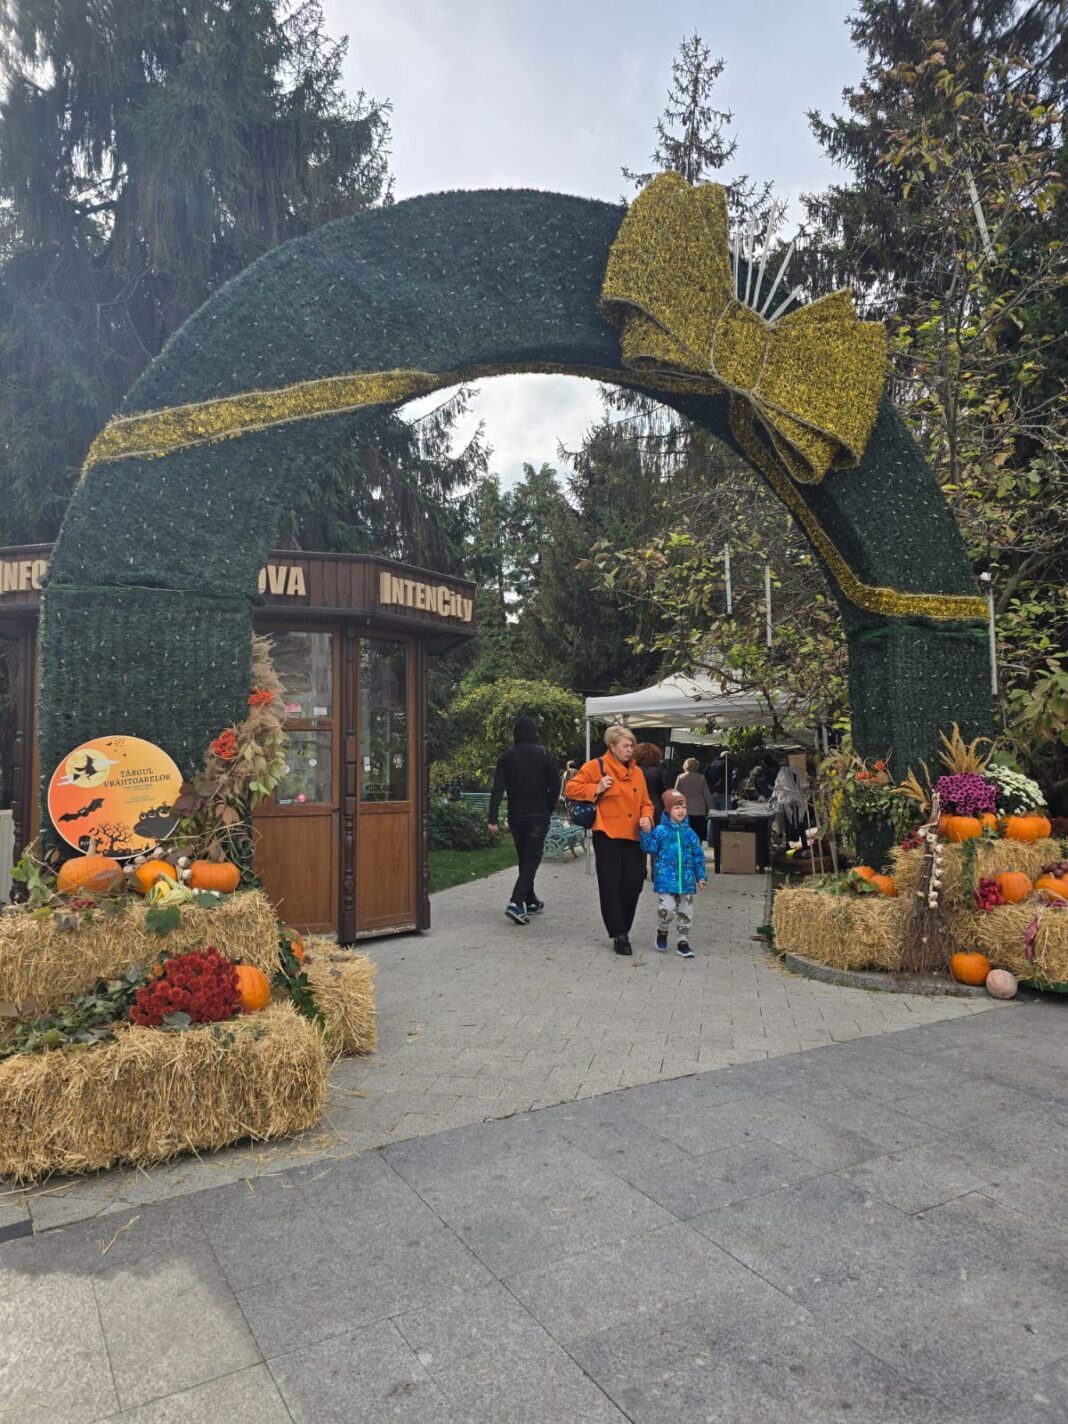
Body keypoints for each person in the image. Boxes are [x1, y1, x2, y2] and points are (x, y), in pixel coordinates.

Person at [565, 725, 653, 956]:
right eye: (625, 745)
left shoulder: (638, 772)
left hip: (633, 835)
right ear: (612, 747)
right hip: (607, 834)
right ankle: (619, 934)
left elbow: (646, 801)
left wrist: (647, 817)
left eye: (632, 745)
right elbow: (570, 788)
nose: (630, 749)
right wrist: (597, 787)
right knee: (610, 884)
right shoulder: (597, 766)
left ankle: (624, 924)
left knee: (634, 880)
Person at [488, 716, 559, 926]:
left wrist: (493, 818)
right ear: (534, 732)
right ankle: (516, 902)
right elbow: (555, 785)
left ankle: (531, 900)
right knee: (532, 859)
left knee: (524, 859)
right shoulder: (545, 755)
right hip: (538, 814)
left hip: (516, 816)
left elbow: (498, 788)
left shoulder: (506, 757)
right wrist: (549, 806)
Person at [640, 790, 707, 957]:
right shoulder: (661, 831)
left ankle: (682, 941)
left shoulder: (690, 834)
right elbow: (649, 848)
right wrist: (646, 832)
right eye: (677, 807)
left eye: (683, 807)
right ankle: (662, 931)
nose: (681, 810)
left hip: (686, 882)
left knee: (686, 912)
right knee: (667, 909)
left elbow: (697, 856)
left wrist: (701, 876)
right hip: (665, 880)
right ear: (668, 809)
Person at [675, 756, 714, 843]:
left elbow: (676, 795)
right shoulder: (701, 778)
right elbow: (706, 795)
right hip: (700, 810)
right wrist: (711, 808)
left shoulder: (680, 777)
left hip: (685, 810)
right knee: (698, 835)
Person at [633, 742, 667, 813]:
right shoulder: (660, 770)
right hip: (657, 805)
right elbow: (664, 789)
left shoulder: (634, 769)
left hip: (638, 805)